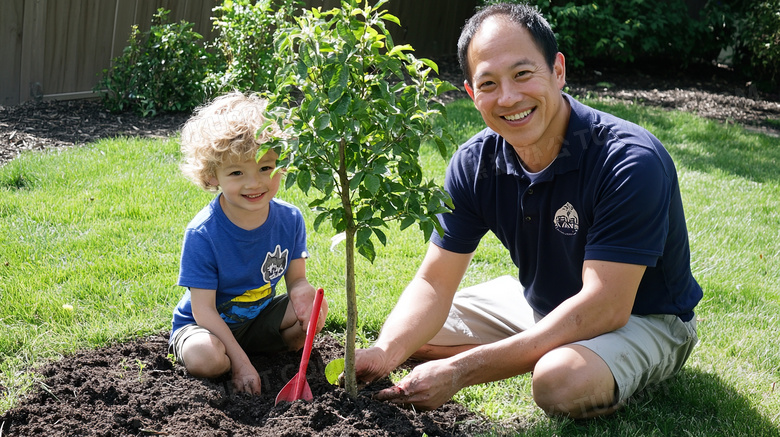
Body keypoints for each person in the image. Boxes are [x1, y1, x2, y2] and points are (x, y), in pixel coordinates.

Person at [354, 2, 701, 418]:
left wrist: (462, 371)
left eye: (522, 74)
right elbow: (433, 282)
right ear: (470, 93)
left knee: (558, 381)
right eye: (488, 84)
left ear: (557, 70)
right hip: (542, 303)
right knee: (416, 339)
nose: (509, 97)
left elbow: (606, 305)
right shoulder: (475, 163)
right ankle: (543, 343)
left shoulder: (628, 160)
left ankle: (578, 358)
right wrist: (386, 351)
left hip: (642, 318)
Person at [169, 92, 328, 395]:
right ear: (212, 175)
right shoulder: (203, 233)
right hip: (205, 327)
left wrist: (302, 290)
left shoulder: (289, 219)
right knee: (208, 359)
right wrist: (240, 364)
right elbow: (203, 310)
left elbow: (296, 280)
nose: (254, 183)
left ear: (281, 164)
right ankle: (232, 354)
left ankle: (250, 349)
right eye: (237, 172)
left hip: (257, 318)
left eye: (265, 168)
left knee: (316, 309)